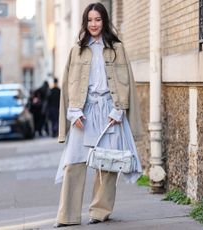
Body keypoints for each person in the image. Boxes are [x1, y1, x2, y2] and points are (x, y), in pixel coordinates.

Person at [54, 2, 143, 228]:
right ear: (85, 23)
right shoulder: (77, 50)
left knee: (108, 163)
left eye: (98, 19)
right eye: (90, 20)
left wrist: (119, 109)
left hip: (109, 111)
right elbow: (69, 83)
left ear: (104, 21)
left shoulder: (117, 48)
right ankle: (68, 216)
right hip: (82, 112)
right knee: (74, 162)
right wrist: (73, 111)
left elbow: (126, 81)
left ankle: (100, 211)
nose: (93, 24)